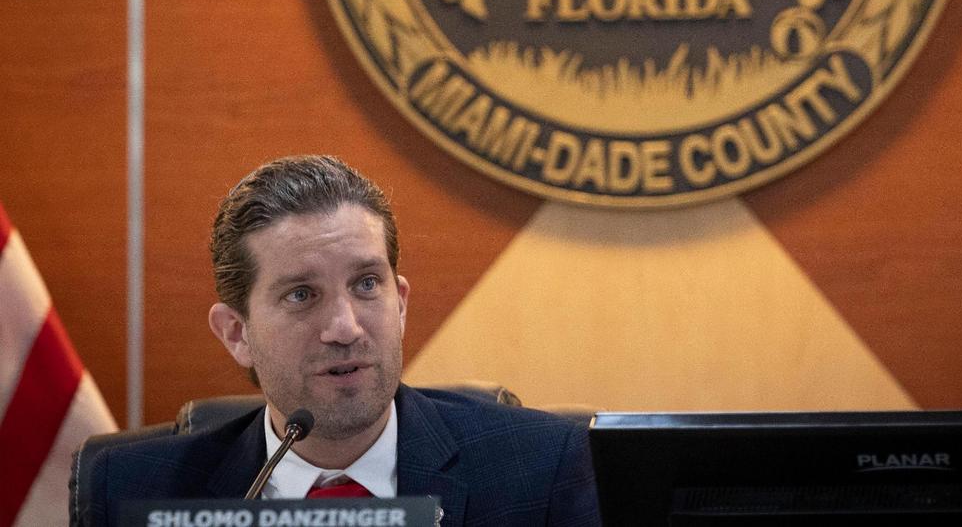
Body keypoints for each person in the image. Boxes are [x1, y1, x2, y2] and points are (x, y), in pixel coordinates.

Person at [75, 155, 601, 525]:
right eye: (302, 295)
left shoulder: (540, 467)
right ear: (237, 334)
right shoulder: (134, 490)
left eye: (366, 285)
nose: (345, 328)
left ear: (400, 304)